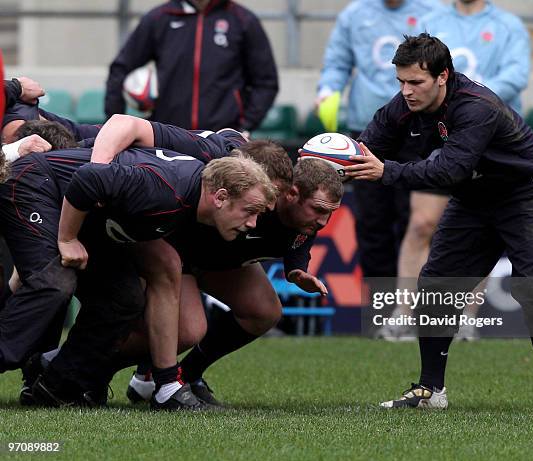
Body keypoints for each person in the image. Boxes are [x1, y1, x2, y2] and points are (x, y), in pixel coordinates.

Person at [345, 34, 533, 412]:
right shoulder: (404, 104)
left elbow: (450, 170)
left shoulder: (475, 106)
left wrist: (386, 171)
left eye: (415, 82)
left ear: (442, 77)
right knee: (437, 283)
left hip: (526, 192)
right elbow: (364, 149)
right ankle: (431, 391)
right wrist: (327, 167)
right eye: (400, 81)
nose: (406, 91)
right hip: (475, 197)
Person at [0, 120, 276, 410]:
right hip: (35, 184)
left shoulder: (191, 200)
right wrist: (67, 238)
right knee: (55, 282)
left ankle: (55, 386)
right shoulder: (166, 192)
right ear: (220, 197)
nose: (253, 224)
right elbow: (90, 178)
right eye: (250, 211)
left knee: (124, 297)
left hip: (77, 207)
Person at [87, 115, 342, 406]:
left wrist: (296, 268)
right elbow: (131, 125)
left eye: (329, 212)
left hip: (215, 260)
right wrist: (98, 171)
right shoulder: (232, 163)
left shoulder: (302, 215)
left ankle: (186, 374)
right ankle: (85, 367)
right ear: (292, 193)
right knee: (188, 331)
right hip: (173, 248)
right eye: (319, 210)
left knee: (265, 311)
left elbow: (301, 234)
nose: (323, 221)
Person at [384, 0, 531, 341]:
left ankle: (465, 316)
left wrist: (468, 100)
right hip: (439, 136)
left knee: (481, 227)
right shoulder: (431, 20)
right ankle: (405, 312)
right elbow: (412, 73)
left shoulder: (509, 25)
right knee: (421, 223)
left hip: (489, 141)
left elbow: (516, 75)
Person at [316, 0, 442, 279]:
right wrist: (327, 90)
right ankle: (381, 310)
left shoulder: (433, 11)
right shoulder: (353, 14)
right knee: (373, 224)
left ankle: (416, 307)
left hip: (418, 133)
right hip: (369, 132)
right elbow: (337, 63)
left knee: (419, 223)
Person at [105, 0, 278, 132]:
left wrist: (243, 126)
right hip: (168, 137)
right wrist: (117, 124)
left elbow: (266, 82)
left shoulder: (243, 21)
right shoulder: (159, 18)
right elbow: (120, 70)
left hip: (221, 140)